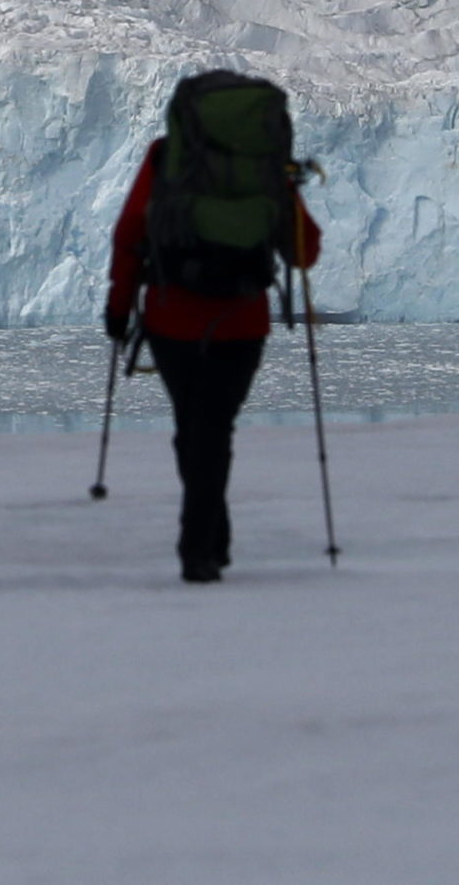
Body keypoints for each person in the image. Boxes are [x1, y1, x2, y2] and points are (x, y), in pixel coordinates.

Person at [103, 77, 320, 584]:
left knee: (194, 426)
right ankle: (207, 539)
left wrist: (118, 307)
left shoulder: (166, 158)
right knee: (213, 427)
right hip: (242, 320)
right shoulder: (264, 166)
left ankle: (199, 542)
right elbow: (304, 250)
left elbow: (131, 234)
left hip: (170, 316)